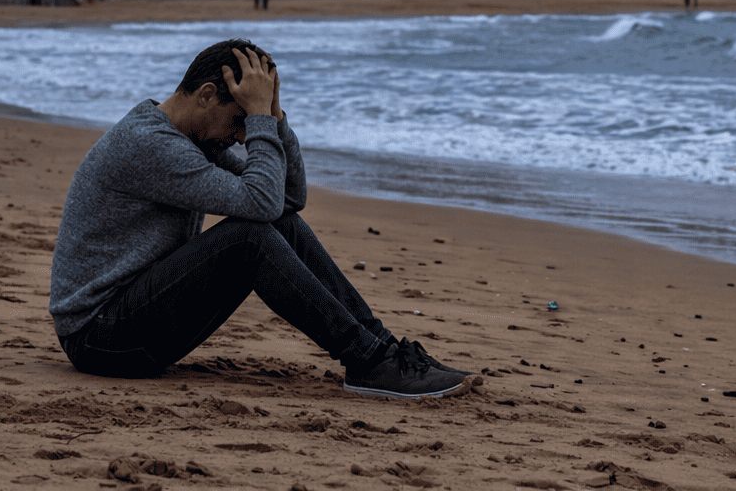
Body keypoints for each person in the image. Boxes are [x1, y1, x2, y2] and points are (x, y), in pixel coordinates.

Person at [49, 38, 468, 398]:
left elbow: (286, 200)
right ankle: (367, 360)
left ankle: (383, 351)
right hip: (99, 336)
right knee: (249, 238)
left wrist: (275, 118)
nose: (240, 135)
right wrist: (262, 121)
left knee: (277, 227)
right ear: (208, 95)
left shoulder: (189, 141)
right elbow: (263, 203)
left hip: (127, 322)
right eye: (239, 120)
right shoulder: (151, 146)